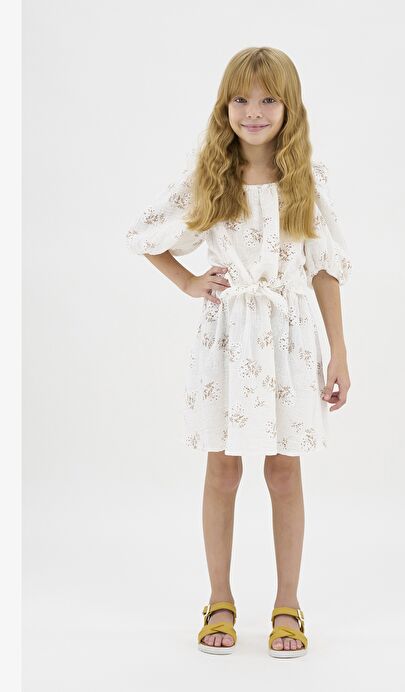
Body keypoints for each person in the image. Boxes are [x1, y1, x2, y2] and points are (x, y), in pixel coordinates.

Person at [126, 46, 352, 658]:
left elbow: (325, 268)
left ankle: (287, 603)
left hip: (289, 340)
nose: (254, 111)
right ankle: (219, 598)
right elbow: (147, 236)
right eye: (241, 99)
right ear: (224, 106)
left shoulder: (307, 180)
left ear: (290, 107)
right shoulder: (209, 176)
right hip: (228, 339)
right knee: (223, 468)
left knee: (283, 469)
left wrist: (339, 351)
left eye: (268, 99)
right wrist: (188, 281)